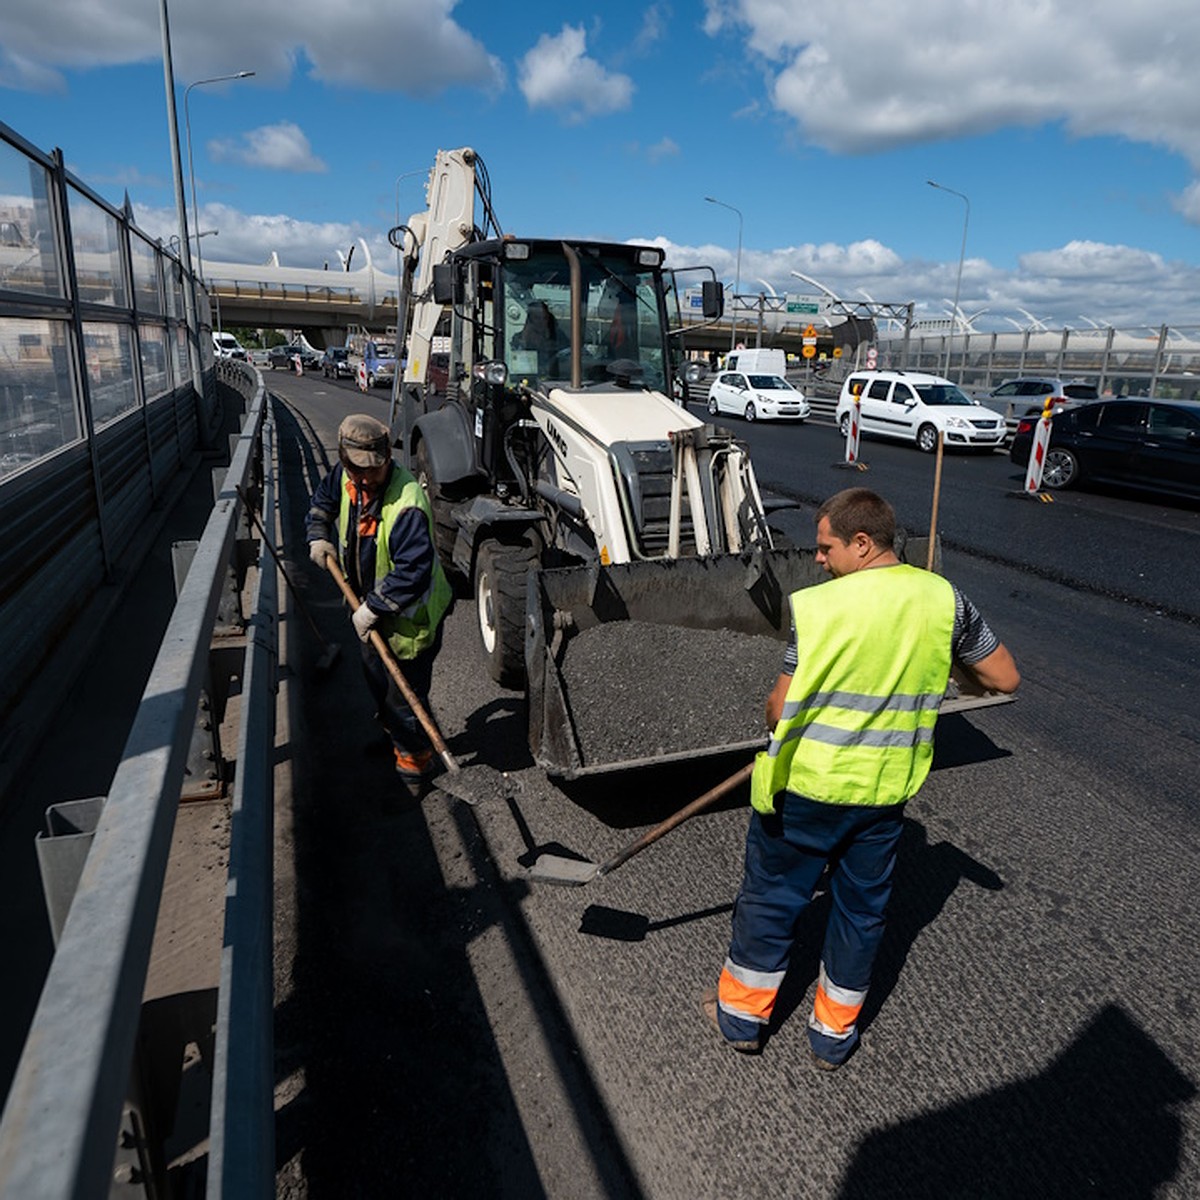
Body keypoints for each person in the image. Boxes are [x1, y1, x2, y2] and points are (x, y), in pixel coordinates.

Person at [703, 487, 1019, 1068]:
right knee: (860, 914)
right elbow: (1003, 677)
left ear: (863, 543)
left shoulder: (821, 609)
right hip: (881, 797)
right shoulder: (945, 602)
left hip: (805, 792)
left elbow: (778, 708)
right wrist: (950, 672)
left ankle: (743, 1018)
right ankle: (832, 1036)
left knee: (773, 902)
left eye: (826, 548)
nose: (818, 560)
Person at [306, 414, 453, 797]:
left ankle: (413, 770)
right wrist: (318, 535)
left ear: (388, 458)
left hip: (408, 619)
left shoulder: (408, 504)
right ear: (345, 460)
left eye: (377, 469)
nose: (369, 478)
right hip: (368, 612)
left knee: (404, 695)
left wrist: (372, 608)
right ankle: (396, 742)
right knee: (376, 681)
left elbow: (413, 571)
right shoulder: (344, 477)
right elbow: (322, 503)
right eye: (360, 471)